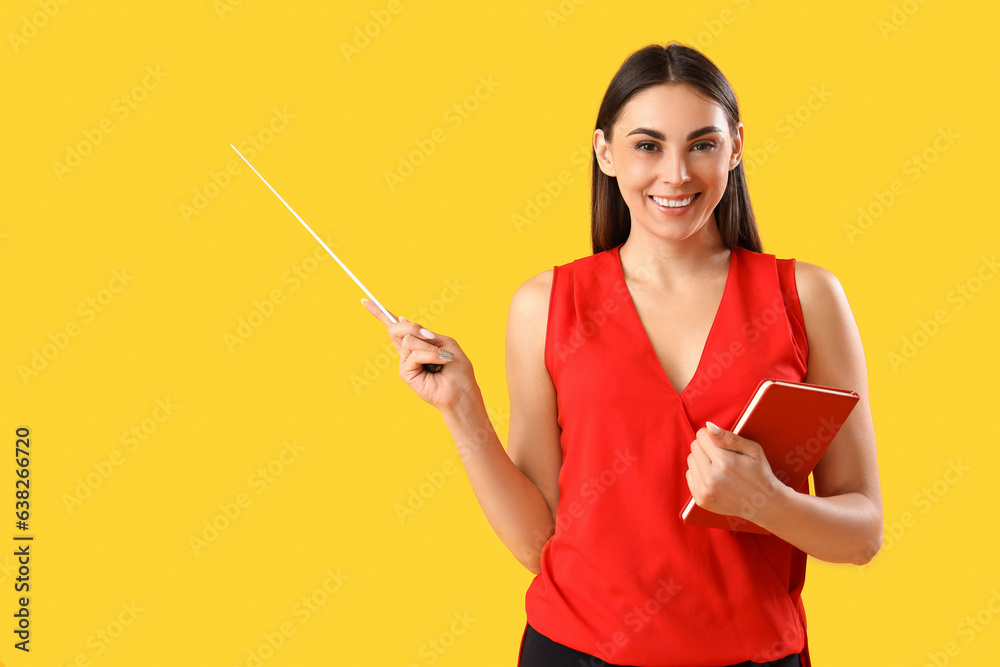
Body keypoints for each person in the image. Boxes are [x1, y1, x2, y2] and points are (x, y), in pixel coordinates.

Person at [362, 41, 882, 667]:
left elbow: (862, 532)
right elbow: (539, 542)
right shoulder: (544, 306)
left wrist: (765, 501)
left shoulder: (806, 297)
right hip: (575, 652)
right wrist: (460, 408)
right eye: (647, 145)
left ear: (736, 147)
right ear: (605, 152)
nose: (676, 174)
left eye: (702, 144)